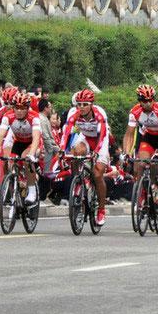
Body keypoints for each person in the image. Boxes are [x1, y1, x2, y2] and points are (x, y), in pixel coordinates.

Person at [60, 89, 110, 225]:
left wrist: (97, 151)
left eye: (85, 104)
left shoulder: (99, 114)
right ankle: (78, 181)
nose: (81, 107)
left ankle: (101, 209)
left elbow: (103, 135)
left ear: (91, 104)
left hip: (100, 140)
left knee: (97, 174)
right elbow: (66, 133)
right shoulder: (74, 114)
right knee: (76, 152)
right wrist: (61, 149)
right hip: (86, 138)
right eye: (79, 104)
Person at [122, 84, 158, 215]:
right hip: (148, 138)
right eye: (145, 101)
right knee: (140, 164)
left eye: (151, 100)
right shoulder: (135, 112)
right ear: (139, 101)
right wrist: (126, 153)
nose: (148, 103)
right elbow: (129, 135)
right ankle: (142, 195)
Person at [0, 92, 42, 205]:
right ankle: (15, 186)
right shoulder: (8, 116)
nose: (19, 111)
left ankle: (32, 190)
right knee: (9, 161)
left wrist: (31, 154)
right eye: (16, 107)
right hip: (18, 142)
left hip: (32, 143)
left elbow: (36, 138)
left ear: (28, 108)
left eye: (22, 108)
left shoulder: (34, 117)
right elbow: (0, 135)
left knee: (26, 158)